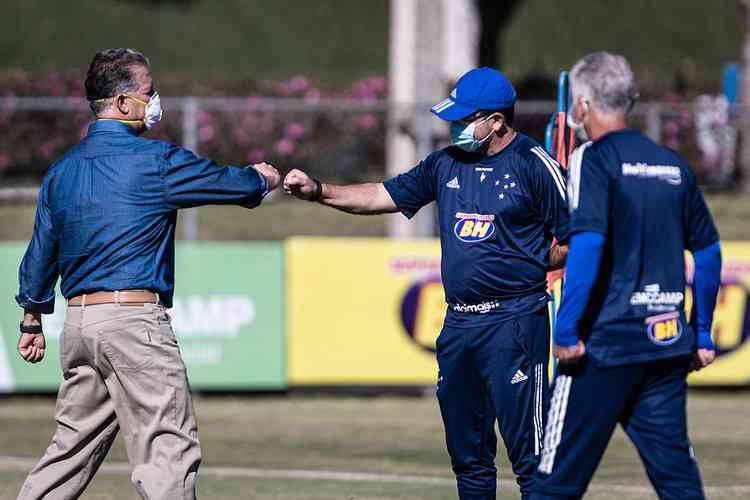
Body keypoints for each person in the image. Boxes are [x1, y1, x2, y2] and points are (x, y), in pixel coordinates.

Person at [284, 67, 570, 500]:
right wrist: (318, 189)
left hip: (515, 325)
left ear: (496, 121)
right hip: (458, 327)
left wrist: (536, 259)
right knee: (469, 460)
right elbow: (381, 195)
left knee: (532, 462)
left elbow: (578, 239)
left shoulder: (534, 165)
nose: (454, 127)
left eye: (464, 118)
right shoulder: (444, 163)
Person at [15, 48, 280, 500]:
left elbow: (41, 253)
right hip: (134, 323)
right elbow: (230, 184)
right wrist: (261, 178)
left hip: (78, 327)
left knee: (68, 454)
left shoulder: (61, 172)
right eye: (148, 92)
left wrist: (32, 318)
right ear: (121, 103)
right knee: (167, 451)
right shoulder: (154, 161)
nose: (155, 100)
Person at [530, 52, 722, 500]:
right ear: (630, 100)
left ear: (581, 107)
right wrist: (705, 333)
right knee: (677, 481)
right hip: (664, 346)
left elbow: (589, 244)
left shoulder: (591, 159)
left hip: (603, 347)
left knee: (552, 485)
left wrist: (567, 328)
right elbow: (709, 253)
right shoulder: (672, 164)